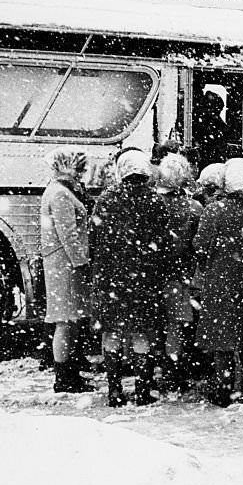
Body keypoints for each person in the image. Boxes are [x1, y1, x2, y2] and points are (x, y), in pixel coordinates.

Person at [90, 148, 171, 406]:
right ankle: (143, 390)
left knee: (111, 332)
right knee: (141, 333)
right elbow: (163, 243)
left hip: (111, 278)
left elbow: (94, 239)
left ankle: (114, 390)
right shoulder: (155, 201)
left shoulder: (105, 200)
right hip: (144, 280)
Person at [193, 158, 243, 407]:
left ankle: (223, 391)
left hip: (219, 281)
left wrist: (207, 265)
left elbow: (200, 245)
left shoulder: (215, 210)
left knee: (221, 339)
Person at [39, 148, 95, 393]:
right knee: (64, 321)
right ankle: (64, 377)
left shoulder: (56, 190)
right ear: (67, 166)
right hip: (66, 266)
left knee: (68, 320)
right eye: (79, 168)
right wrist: (82, 262)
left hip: (62, 264)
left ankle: (68, 373)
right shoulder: (61, 194)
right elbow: (68, 234)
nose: (83, 174)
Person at [155, 153, 203, 393]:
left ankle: (150, 369)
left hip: (151, 274)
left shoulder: (151, 204)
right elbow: (197, 244)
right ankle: (173, 373)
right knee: (175, 326)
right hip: (180, 273)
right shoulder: (193, 208)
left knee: (153, 324)